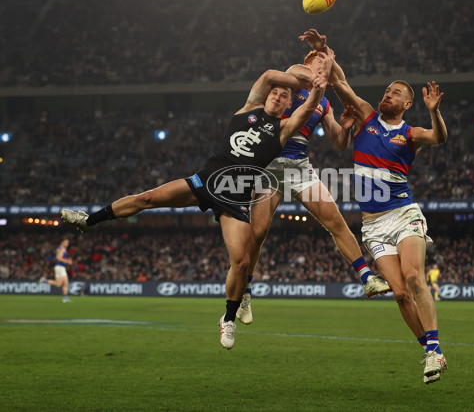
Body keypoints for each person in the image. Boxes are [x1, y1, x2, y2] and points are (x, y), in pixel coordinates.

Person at [60, 51, 335, 350]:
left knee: (242, 262)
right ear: (267, 95)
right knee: (148, 198)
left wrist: (319, 85)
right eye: (276, 93)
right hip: (208, 178)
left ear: (287, 105)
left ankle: (227, 319)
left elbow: (308, 106)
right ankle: (89, 221)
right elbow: (270, 74)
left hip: (237, 195)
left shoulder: (283, 129)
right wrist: (306, 75)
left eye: (285, 97)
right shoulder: (248, 108)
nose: (279, 97)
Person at [307, 29, 448, 384]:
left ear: (407, 104)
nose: (388, 95)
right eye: (387, 90)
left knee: (415, 277)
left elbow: (439, 138)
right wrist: (325, 51)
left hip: (403, 214)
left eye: (396, 93)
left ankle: (435, 349)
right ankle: (427, 350)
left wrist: (435, 114)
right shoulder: (368, 117)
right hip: (372, 226)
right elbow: (340, 84)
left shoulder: (411, 132)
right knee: (399, 293)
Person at [236, 41, 390, 325]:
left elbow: (339, 143)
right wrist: (324, 66)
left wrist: (345, 127)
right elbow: (305, 73)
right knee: (258, 233)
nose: (323, 65)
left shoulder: (325, 102)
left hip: (298, 166)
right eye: (320, 61)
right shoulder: (294, 77)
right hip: (269, 162)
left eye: (327, 63)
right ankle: (244, 292)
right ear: (309, 63)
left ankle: (367, 277)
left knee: (336, 222)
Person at [39, 236, 74, 303]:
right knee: (66, 283)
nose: (67, 244)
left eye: (68, 242)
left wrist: (66, 260)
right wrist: (67, 261)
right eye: (66, 242)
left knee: (58, 284)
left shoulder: (59, 248)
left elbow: (60, 257)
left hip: (58, 267)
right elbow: (58, 258)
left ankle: (45, 280)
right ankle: (65, 298)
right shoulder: (62, 249)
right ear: (62, 242)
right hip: (60, 267)